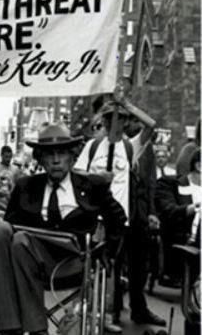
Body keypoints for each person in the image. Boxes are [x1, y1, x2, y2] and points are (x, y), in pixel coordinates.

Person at [0, 123, 126, 335]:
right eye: (49, 154)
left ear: (72, 157)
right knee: (2, 232)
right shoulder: (25, 186)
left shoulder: (92, 186)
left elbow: (118, 218)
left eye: (61, 153)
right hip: (30, 260)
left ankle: (31, 329)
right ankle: (12, 327)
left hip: (74, 262)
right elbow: (11, 226)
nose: (56, 160)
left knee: (20, 241)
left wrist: (107, 253)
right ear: (40, 159)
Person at [74, 97, 165, 326]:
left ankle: (123, 312)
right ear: (104, 121)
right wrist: (97, 179)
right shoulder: (93, 146)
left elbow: (152, 125)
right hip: (98, 217)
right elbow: (77, 176)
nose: (115, 124)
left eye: (121, 119)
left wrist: (125, 103)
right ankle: (103, 314)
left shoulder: (129, 147)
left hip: (124, 218)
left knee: (125, 266)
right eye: (111, 118)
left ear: (125, 122)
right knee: (102, 266)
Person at [155, 149, 201, 287]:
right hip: (185, 239)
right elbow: (168, 211)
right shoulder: (172, 184)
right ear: (199, 166)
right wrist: (193, 208)